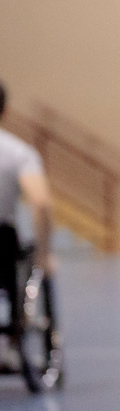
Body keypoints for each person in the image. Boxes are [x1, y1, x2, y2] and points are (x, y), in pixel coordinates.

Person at [0, 81, 54, 327]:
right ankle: (14, 332)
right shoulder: (18, 152)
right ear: (5, 110)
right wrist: (44, 255)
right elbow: (41, 203)